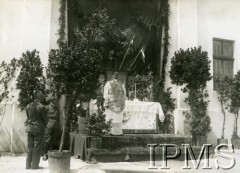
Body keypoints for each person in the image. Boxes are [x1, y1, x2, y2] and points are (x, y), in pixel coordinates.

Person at [25, 91, 47, 169]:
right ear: (38, 97)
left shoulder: (28, 106)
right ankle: (35, 165)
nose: (43, 97)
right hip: (38, 128)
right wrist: (44, 125)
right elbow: (45, 119)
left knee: (29, 147)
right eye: (42, 96)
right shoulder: (41, 107)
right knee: (37, 147)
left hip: (30, 128)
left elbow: (28, 117)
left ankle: (28, 165)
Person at [103, 71, 126, 135]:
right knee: (111, 117)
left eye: (117, 74)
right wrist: (106, 102)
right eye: (114, 74)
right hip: (111, 102)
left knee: (119, 118)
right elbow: (105, 93)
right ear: (112, 75)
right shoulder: (108, 83)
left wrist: (123, 100)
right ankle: (110, 131)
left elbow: (124, 92)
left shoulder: (121, 83)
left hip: (119, 103)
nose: (116, 75)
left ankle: (118, 132)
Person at [42, 93, 59, 161]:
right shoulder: (47, 107)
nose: (56, 100)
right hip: (48, 126)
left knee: (53, 140)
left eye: (56, 99)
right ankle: (44, 154)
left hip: (56, 126)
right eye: (54, 99)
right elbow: (43, 117)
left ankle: (50, 153)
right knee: (47, 140)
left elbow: (58, 117)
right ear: (51, 100)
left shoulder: (57, 108)